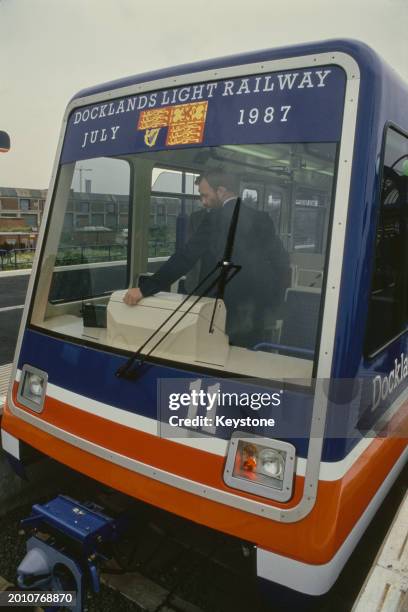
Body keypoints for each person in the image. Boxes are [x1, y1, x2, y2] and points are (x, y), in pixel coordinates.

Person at [123, 169, 290, 348]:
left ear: (221, 191)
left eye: (205, 195)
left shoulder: (215, 219)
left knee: (216, 361)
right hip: (256, 310)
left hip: (222, 311)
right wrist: (273, 303)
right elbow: (280, 260)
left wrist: (145, 289)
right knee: (246, 362)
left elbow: (186, 257)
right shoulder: (262, 218)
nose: (203, 202)